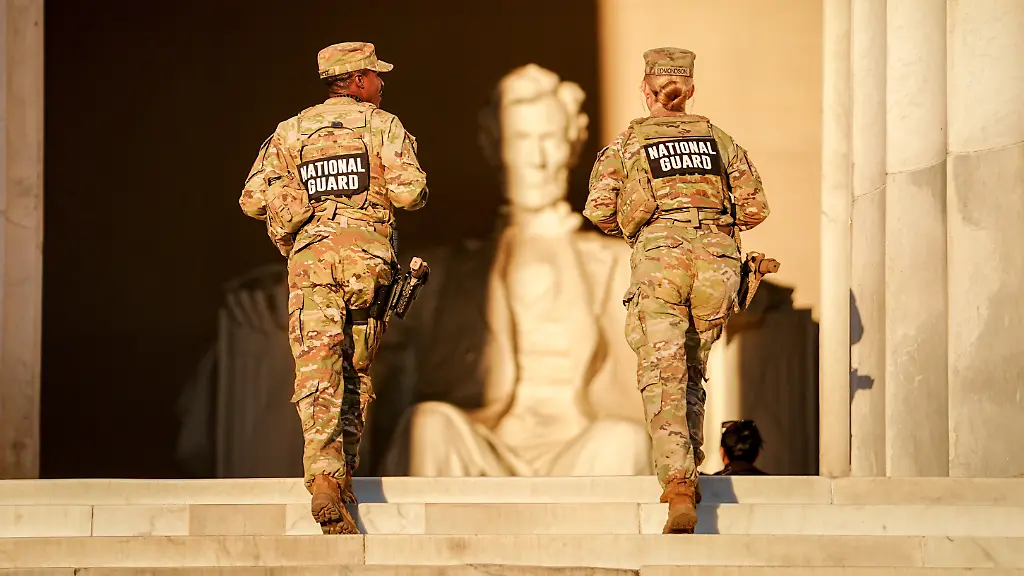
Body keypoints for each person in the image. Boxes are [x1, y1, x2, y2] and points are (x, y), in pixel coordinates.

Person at [377, 64, 650, 478]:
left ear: (573, 146)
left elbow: (693, 294)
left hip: (583, 447)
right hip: (482, 444)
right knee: (427, 425)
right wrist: (275, 296)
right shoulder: (445, 270)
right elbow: (364, 305)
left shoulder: (620, 263)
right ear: (494, 147)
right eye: (523, 141)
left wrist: (741, 298)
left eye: (550, 141)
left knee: (624, 441)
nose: (538, 160)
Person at [239, 42, 428, 534]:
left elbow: (252, 199)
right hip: (366, 269)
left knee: (317, 371)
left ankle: (326, 478)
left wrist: (301, 198)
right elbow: (411, 194)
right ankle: (340, 479)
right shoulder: (384, 126)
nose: (381, 85)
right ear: (359, 80)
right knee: (355, 373)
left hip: (312, 268)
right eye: (376, 76)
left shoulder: (291, 131)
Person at [583, 47, 769, 534]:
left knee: (663, 372)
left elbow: (600, 210)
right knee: (691, 370)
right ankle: (691, 468)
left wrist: (645, 223)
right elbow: (754, 209)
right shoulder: (720, 140)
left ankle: (680, 486)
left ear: (647, 90)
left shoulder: (628, 144)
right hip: (716, 264)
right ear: (689, 92)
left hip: (661, 261)